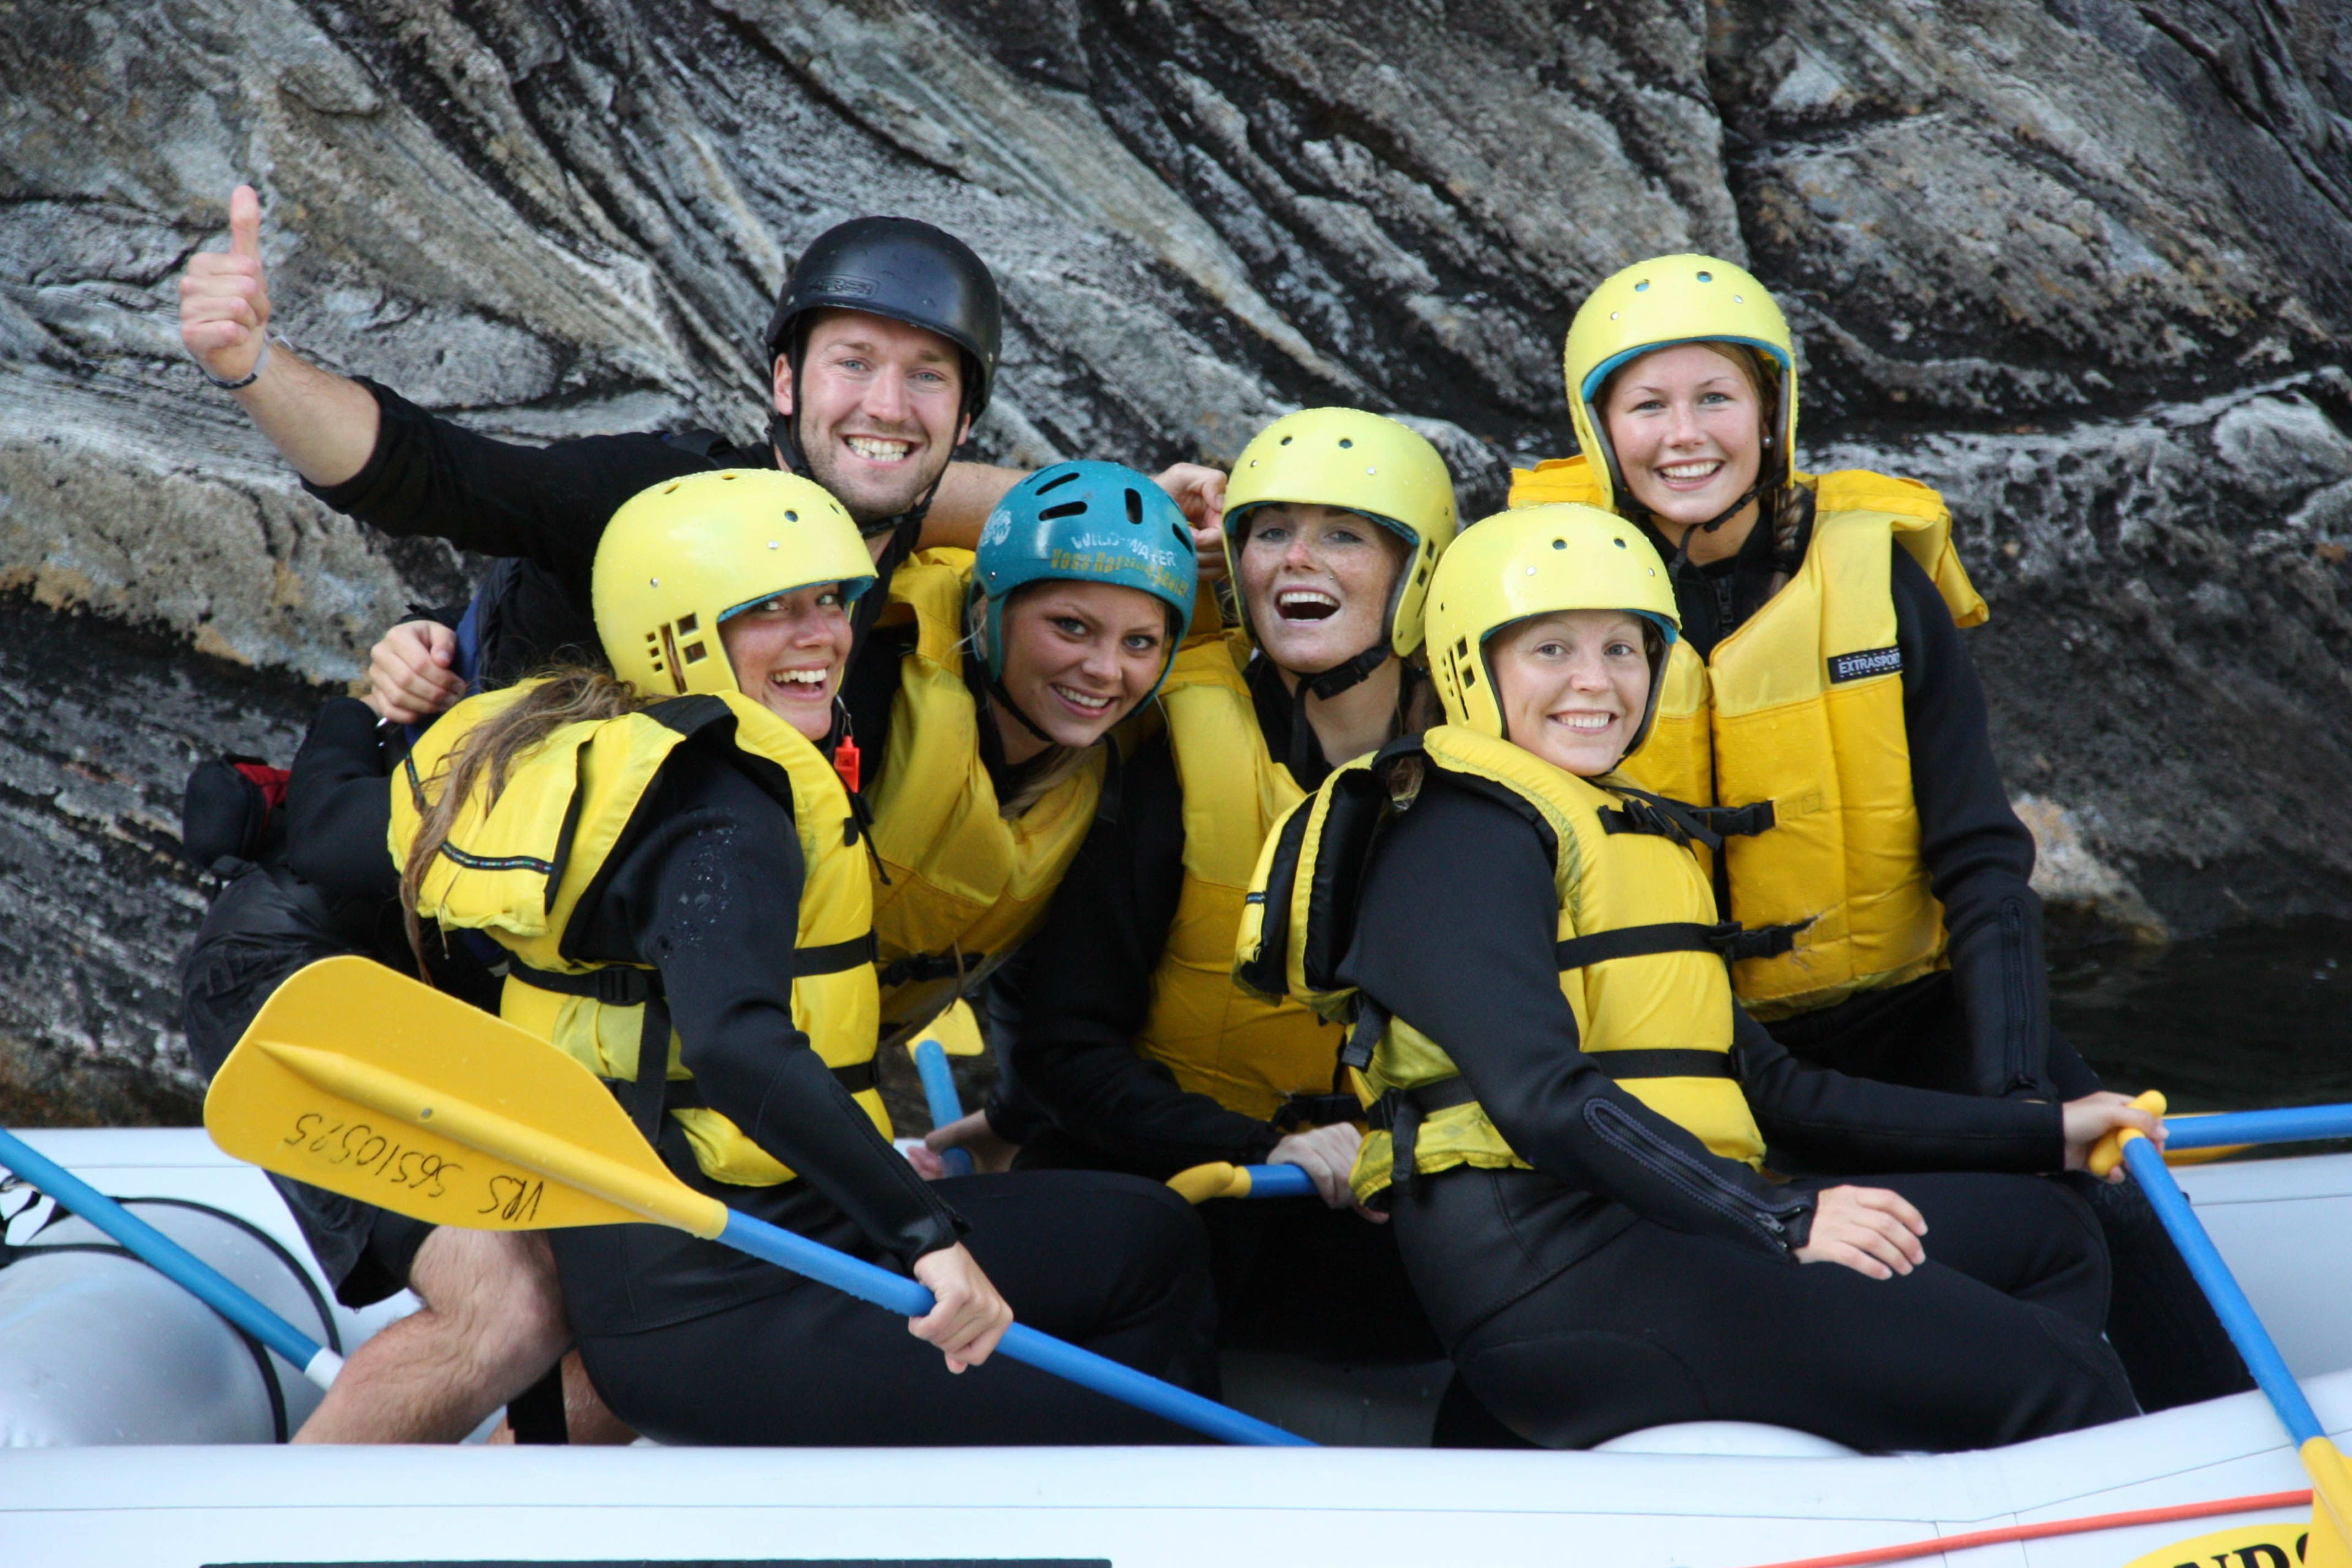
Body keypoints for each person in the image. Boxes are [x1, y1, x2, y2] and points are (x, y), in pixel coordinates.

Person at [1239, 503, 2158, 1451]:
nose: (1596, 683)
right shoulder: (1451, 839)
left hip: (1668, 1236)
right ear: (1474, 664)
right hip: (1562, 1280)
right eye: (1550, 651)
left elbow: (1776, 1089)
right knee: (2064, 1378)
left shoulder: (1617, 826)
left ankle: (1924, 1493)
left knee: (2049, 1233)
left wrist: (2041, 1128)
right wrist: (1783, 1215)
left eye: (1624, 650)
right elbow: (1544, 1100)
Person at [1506, 253, 2249, 1413]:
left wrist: (2011, 1099)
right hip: (1713, 1053)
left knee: (2095, 1182)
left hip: (1911, 1015)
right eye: (1647, 404)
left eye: (1717, 398)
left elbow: (1980, 855)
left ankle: (2207, 1423)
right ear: (1598, 429)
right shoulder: (1542, 607)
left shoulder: (1877, 585)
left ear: (1773, 413)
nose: (1684, 435)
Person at [336, 467, 1210, 1444]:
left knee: (1151, 1238)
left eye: (832, 602)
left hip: (719, 1247)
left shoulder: (604, 755)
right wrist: (929, 1240)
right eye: (772, 612)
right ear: (677, 628)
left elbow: (338, 821)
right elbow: (738, 1047)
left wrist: (347, 722)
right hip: (726, 1299)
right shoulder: (720, 811)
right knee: (1148, 1390)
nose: (822, 636)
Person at [178, 184, 1226, 726]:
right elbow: (426, 470)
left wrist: (1129, 503)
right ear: (784, 384)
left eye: (928, 378)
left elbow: (942, 499)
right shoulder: (647, 492)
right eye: (853, 362)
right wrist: (253, 362)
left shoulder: (913, 532)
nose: (886, 406)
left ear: (962, 423)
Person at [993, 408, 1456, 1363]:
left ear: (1417, 573)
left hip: (1383, 1194)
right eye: (1270, 532)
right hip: (1177, 1178)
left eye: (1343, 535)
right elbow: (1063, 1047)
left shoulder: (1479, 766)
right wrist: (1260, 1146)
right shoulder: (1166, 741)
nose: (1297, 560)